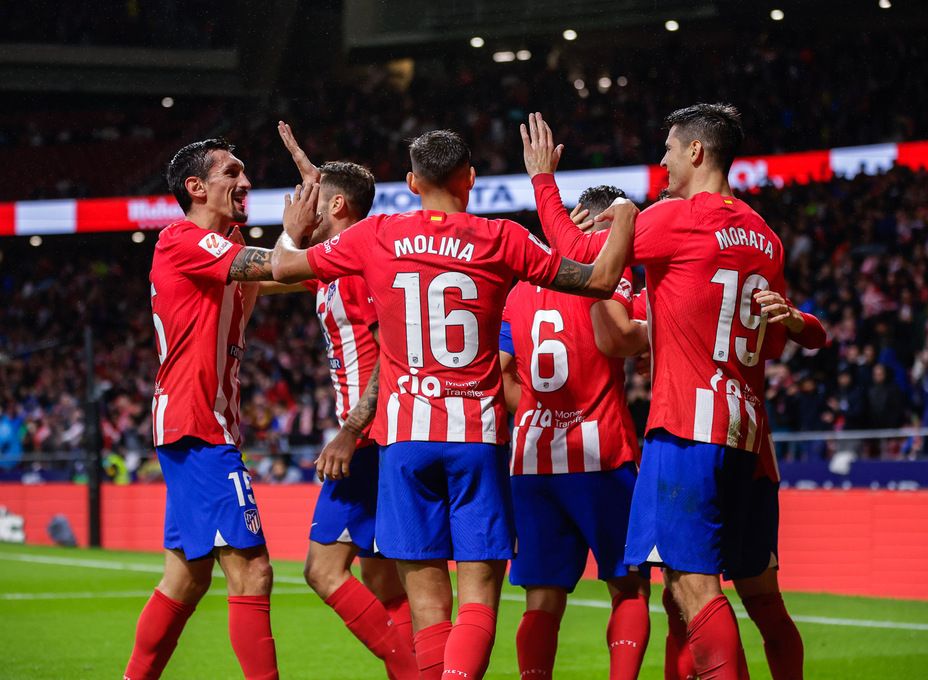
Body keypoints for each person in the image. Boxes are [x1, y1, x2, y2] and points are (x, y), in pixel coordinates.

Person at [269, 127, 638, 680]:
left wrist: (293, 232)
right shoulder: (502, 237)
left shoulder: (378, 235)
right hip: (476, 438)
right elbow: (602, 276)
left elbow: (282, 268)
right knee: (477, 602)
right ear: (470, 179)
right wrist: (626, 216)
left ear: (412, 182)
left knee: (427, 609)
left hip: (403, 442)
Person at [520, 105, 797, 679]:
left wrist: (543, 179)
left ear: (696, 152)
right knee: (754, 598)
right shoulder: (766, 238)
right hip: (748, 433)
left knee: (690, 589)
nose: (663, 160)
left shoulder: (675, 218)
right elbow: (772, 342)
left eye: (669, 148)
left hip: (685, 429)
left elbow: (583, 250)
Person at [124, 137, 319, 680]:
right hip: (196, 424)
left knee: (185, 579)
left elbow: (288, 273)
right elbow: (279, 265)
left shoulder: (226, 244)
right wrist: (300, 235)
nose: (247, 182)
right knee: (253, 571)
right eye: (233, 172)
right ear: (196, 187)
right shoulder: (181, 240)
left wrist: (325, 208)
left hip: (202, 423)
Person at [266, 123, 419, 679]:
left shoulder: (359, 263)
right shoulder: (337, 263)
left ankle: (419, 671)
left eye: (313, 197)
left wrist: (351, 431)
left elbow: (391, 351)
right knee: (385, 583)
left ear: (336, 205)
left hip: (372, 438)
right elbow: (269, 277)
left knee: (323, 571)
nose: (302, 205)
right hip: (374, 436)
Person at [625, 287, 827, 680]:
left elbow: (615, 337)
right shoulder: (736, 279)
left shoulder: (658, 290)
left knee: (690, 595)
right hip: (751, 448)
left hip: (694, 443)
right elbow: (814, 335)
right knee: (745, 601)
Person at [498, 184, 651, 680]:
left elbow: (501, 373)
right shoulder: (613, 277)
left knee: (542, 598)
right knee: (628, 588)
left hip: (532, 460)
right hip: (601, 453)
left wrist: (544, 414)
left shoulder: (520, 289)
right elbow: (623, 340)